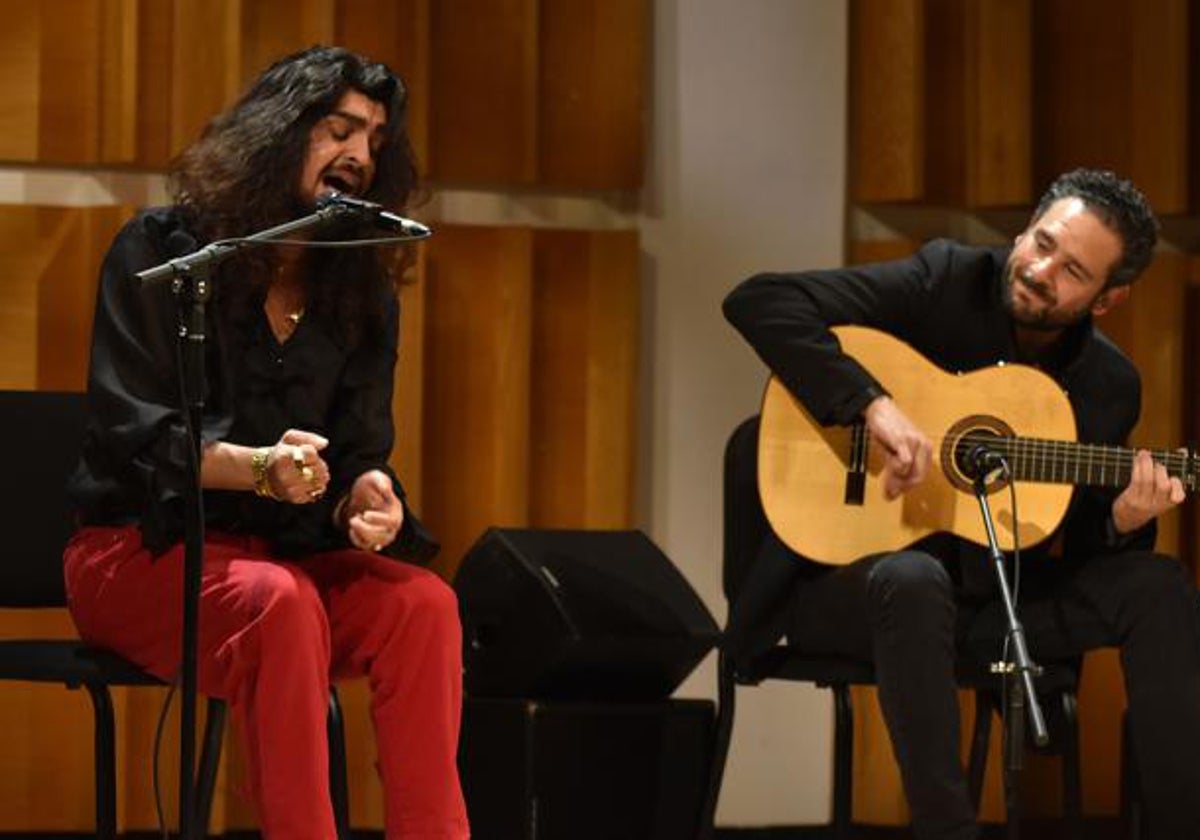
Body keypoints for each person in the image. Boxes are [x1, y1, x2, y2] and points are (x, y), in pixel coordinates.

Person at [63, 46, 469, 839]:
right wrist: (257, 469)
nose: (358, 156)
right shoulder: (164, 253)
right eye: (338, 130)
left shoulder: (359, 291)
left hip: (281, 564)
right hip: (139, 552)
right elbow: (133, 433)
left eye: (375, 142)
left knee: (423, 604)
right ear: (280, 133)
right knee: (277, 604)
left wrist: (369, 494)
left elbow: (359, 452)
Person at [722, 168, 1200, 840]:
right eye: (1040, 243)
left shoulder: (1109, 385)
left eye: (1071, 271)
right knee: (914, 579)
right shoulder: (945, 282)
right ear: (1024, 228)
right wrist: (870, 404)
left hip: (989, 602)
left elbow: (1072, 533)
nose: (1039, 271)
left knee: (1159, 585)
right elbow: (760, 301)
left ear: (1106, 299)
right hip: (846, 586)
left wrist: (1121, 522)